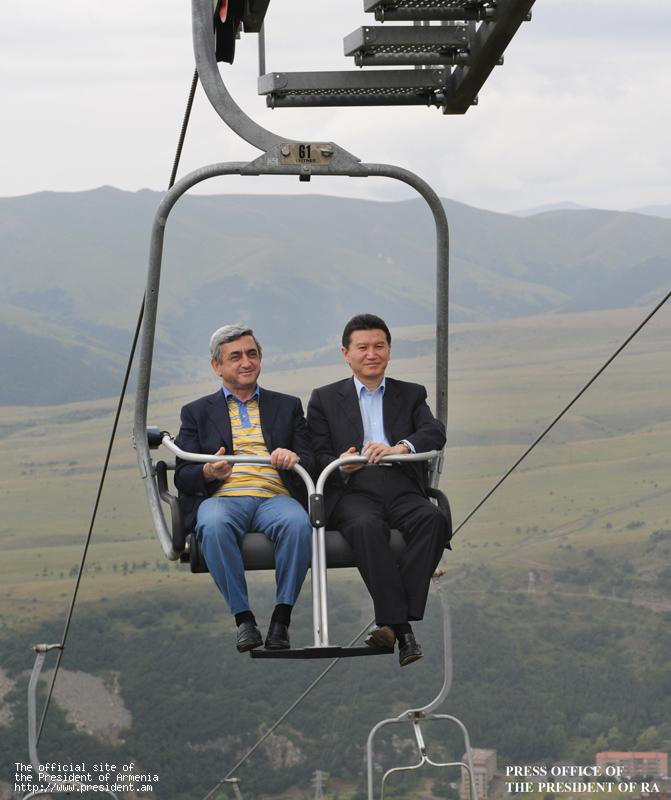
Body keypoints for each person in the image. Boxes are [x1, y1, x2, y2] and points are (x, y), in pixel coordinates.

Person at [307, 314, 451, 667]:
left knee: (433, 521)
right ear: (346, 353)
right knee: (365, 526)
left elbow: (434, 432)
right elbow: (315, 454)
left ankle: (391, 621)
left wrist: (400, 447)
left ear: (389, 350)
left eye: (379, 346)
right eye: (363, 348)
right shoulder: (325, 399)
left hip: (400, 482)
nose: (371, 354)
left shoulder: (411, 394)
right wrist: (341, 463)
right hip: (353, 487)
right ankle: (403, 630)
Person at [174, 324, 314, 653]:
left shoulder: (287, 406)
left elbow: (310, 458)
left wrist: (292, 458)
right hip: (224, 496)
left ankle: (281, 618)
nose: (246, 362)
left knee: (297, 523)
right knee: (213, 524)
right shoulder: (197, 413)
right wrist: (209, 471)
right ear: (217, 366)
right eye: (235, 357)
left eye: (252, 354)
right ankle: (243, 618)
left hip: (273, 495)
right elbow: (183, 474)